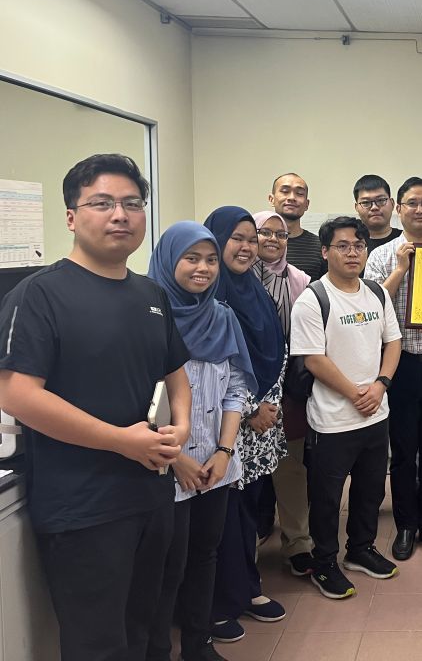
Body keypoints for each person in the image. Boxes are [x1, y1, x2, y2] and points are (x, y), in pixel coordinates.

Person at [0, 154, 191, 660]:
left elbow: (176, 372)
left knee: (149, 632)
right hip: (83, 507)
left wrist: (183, 426)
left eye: (132, 203)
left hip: (151, 494)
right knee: (98, 645)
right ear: (71, 216)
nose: (120, 215)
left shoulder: (151, 293)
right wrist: (121, 441)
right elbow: (17, 394)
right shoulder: (38, 295)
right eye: (102, 203)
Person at [147, 222, 255, 661]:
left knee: (205, 555)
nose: (203, 268)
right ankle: (157, 651)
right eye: (191, 258)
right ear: (168, 260)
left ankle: (198, 644)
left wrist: (224, 452)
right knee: (164, 567)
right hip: (163, 466)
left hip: (215, 463)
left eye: (211, 260)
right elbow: (137, 400)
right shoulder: (148, 318)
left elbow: (236, 389)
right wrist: (178, 460)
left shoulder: (222, 316)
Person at [291, 216, 402, 599]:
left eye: (358, 245)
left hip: (376, 414)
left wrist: (381, 385)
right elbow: (313, 359)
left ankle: (360, 549)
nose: (352, 252)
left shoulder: (377, 293)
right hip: (333, 420)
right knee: (326, 498)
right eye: (342, 246)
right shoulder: (313, 299)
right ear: (325, 252)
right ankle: (324, 564)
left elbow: (393, 342)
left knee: (370, 490)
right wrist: (357, 394)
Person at [364, 177, 422, 560]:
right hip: (399, 367)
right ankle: (405, 525)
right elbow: (371, 306)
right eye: (412, 203)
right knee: (403, 452)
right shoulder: (381, 255)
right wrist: (401, 268)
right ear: (399, 208)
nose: (420, 210)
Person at [204, 207, 288, 642]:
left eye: (252, 239)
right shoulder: (206, 295)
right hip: (223, 429)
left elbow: (277, 349)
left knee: (250, 512)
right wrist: (251, 409)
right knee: (223, 519)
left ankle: (248, 588)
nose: (247, 247)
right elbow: (212, 365)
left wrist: (270, 404)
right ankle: (218, 603)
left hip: (262, 427)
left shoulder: (255, 290)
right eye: (237, 238)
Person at [252, 211, 314, 577]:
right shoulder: (233, 278)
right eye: (265, 232)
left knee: (291, 467)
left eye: (281, 234)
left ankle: (298, 542)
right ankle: (247, 545)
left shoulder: (300, 280)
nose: (273, 239)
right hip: (243, 391)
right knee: (245, 474)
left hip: (288, 388)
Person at [268, 173, 325, 280]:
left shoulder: (320, 246)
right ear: (272, 199)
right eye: (285, 191)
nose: (292, 197)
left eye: (299, 193)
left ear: (307, 204)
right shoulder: (258, 243)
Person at [353, 174, 402, 252]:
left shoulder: (406, 240)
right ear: (357, 208)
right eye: (366, 202)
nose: (374, 207)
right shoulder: (350, 245)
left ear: (392, 203)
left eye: (381, 200)